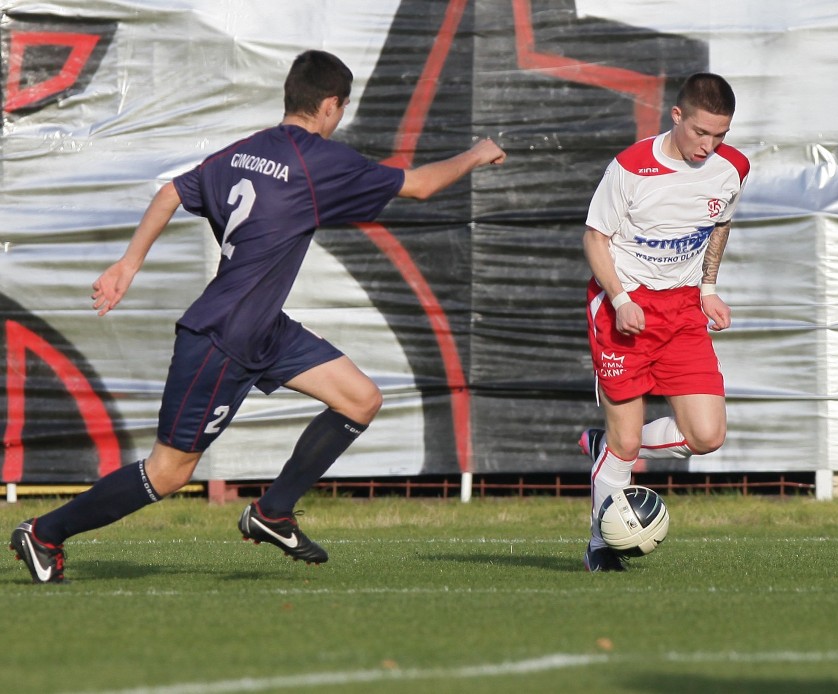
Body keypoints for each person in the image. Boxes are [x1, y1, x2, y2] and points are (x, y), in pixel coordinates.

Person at [10, 49, 506, 583]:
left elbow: (170, 192)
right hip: (222, 338)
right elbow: (422, 185)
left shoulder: (243, 152)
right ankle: (44, 532)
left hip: (263, 328)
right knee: (170, 472)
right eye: (340, 109)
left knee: (361, 398)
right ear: (332, 106)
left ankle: (272, 512)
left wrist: (128, 265)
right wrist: (476, 154)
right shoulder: (318, 159)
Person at [578, 73, 749, 572]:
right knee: (627, 444)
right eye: (700, 132)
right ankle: (599, 545)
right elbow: (594, 238)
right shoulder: (632, 167)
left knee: (707, 436)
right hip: (624, 312)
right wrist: (620, 297)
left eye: (719, 135)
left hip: (682, 312)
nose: (709, 145)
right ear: (677, 116)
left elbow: (720, 224)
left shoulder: (732, 167)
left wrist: (708, 290)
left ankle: (608, 446)